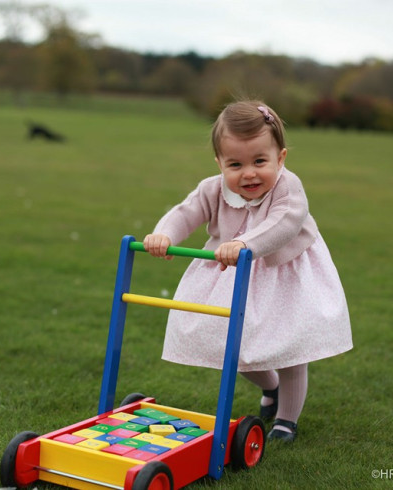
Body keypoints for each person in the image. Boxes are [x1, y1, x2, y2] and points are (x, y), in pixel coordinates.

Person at [143, 100, 352, 442]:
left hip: (285, 274)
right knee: (234, 347)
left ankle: (286, 420)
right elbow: (186, 211)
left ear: (280, 158)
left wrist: (244, 244)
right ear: (220, 163)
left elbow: (284, 223)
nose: (249, 173)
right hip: (235, 274)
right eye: (235, 164)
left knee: (289, 348)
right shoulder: (213, 188)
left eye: (259, 161)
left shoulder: (288, 187)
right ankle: (271, 388)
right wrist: (164, 234)